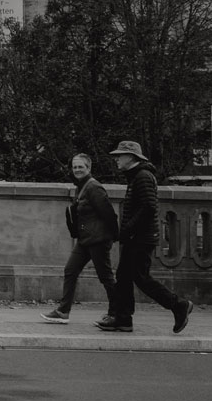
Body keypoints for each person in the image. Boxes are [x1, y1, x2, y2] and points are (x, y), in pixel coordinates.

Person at [97, 140, 193, 334]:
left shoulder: (142, 176)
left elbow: (148, 207)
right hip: (137, 236)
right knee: (124, 277)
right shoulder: (136, 176)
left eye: (120, 155)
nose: (116, 159)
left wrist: (128, 230)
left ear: (131, 157)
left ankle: (178, 305)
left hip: (140, 237)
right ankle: (123, 319)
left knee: (140, 278)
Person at [41, 153, 118, 323]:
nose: (77, 170)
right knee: (70, 270)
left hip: (98, 240)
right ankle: (63, 312)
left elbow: (109, 214)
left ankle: (116, 313)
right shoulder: (81, 186)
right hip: (85, 240)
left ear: (88, 168)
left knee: (105, 277)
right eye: (75, 167)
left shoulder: (94, 188)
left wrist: (112, 237)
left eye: (80, 167)